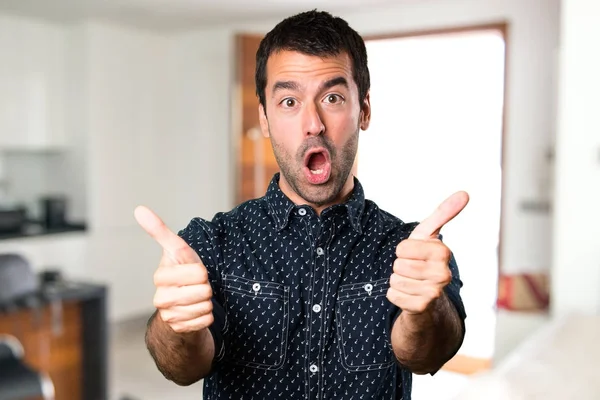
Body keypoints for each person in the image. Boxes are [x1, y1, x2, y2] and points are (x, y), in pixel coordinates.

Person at [135, 9, 468, 400]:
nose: (313, 123)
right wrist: (177, 325)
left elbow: (427, 355)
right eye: (289, 101)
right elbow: (181, 367)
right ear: (264, 118)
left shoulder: (412, 248)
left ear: (364, 110)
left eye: (332, 97)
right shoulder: (212, 243)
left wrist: (424, 311)